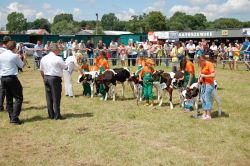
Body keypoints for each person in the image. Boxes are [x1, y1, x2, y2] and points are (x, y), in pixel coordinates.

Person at [40, 43, 67, 120]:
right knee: (56, 97)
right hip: (54, 79)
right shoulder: (58, 58)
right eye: (58, 49)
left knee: (49, 97)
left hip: (46, 77)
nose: (59, 51)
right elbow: (65, 67)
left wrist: (44, 78)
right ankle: (57, 115)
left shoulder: (44, 58)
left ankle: (51, 114)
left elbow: (41, 70)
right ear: (55, 50)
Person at [0, 41, 25, 124]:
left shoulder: (1, 56)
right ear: (14, 48)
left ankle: (11, 116)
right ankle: (14, 117)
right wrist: (23, 58)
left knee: (9, 98)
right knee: (19, 97)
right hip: (12, 78)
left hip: (3, 78)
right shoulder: (14, 56)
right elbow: (21, 65)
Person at [197, 54, 216, 120]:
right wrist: (199, 80)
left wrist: (204, 76)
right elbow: (202, 74)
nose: (199, 64)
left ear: (203, 60)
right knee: (203, 99)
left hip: (209, 84)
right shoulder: (202, 65)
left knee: (207, 99)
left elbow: (213, 75)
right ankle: (204, 113)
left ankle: (209, 115)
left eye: (199, 62)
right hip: (204, 84)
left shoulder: (209, 64)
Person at [0, 36, 11, 112]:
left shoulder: (1, 49)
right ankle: (8, 106)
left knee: (2, 90)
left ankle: (1, 106)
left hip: (2, 72)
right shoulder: (5, 51)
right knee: (7, 90)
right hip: (6, 72)